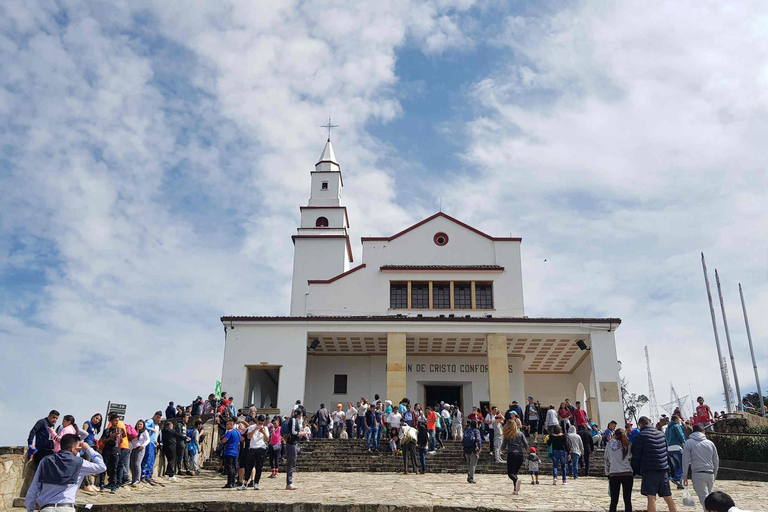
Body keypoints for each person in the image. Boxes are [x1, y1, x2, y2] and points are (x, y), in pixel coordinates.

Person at [25, 434, 106, 512]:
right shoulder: (80, 463)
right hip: (66, 508)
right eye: (78, 449)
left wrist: (30, 509)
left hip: (46, 508)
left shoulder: (45, 461)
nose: (78, 452)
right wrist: (88, 449)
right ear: (72, 449)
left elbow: (34, 488)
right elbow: (102, 467)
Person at [632, 416, 677, 512]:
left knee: (651, 498)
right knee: (668, 497)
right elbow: (666, 452)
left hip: (649, 470)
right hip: (663, 469)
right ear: (650, 423)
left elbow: (636, 455)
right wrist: (671, 470)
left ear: (640, 425)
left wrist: (635, 470)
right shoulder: (661, 434)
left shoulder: (640, 436)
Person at [682, 424, 720, 510]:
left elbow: (685, 461)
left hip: (698, 473)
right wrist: (715, 474)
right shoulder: (710, 443)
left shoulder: (688, 443)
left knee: (704, 500)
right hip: (710, 473)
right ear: (703, 432)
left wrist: (684, 476)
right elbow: (716, 460)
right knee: (708, 498)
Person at [605, 428, 634, 512]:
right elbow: (632, 458)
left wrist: (607, 473)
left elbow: (606, 460)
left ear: (615, 435)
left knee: (614, 501)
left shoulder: (609, 445)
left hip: (614, 473)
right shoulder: (628, 445)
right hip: (627, 473)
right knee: (627, 499)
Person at [501, 418, 529, 495]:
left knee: (510, 473)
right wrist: (526, 449)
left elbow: (503, 445)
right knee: (515, 473)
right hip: (520, 454)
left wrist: (501, 450)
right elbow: (526, 443)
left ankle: (516, 481)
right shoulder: (520, 434)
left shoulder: (508, 434)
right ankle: (515, 490)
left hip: (511, 454)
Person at [241, 415, 269, 490]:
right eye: (260, 422)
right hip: (253, 448)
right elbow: (249, 437)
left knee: (259, 467)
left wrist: (263, 432)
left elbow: (267, 439)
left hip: (262, 447)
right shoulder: (251, 427)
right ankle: (245, 483)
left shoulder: (265, 428)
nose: (261, 424)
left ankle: (256, 483)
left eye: (262, 422)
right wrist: (255, 429)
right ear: (257, 421)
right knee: (249, 466)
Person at [100, 414, 127, 493]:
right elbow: (103, 441)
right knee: (104, 467)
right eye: (115, 420)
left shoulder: (120, 429)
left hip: (116, 450)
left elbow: (121, 441)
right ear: (111, 421)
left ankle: (113, 485)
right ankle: (101, 483)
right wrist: (111, 437)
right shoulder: (107, 430)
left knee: (114, 468)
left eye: (117, 420)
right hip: (107, 450)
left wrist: (119, 436)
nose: (116, 422)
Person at [284, 409, 308, 490]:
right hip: (292, 444)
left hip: (294, 444)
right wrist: (301, 433)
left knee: (292, 463)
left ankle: (290, 482)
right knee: (291, 463)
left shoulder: (294, 420)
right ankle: (289, 483)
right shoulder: (294, 420)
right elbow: (293, 432)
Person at [80, 413, 102, 492]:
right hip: (87, 445)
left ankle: (91, 484)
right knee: (87, 465)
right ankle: (86, 484)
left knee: (91, 466)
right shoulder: (87, 423)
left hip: (92, 446)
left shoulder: (94, 427)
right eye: (96, 418)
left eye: (99, 420)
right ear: (93, 417)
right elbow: (84, 433)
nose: (97, 420)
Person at [219, 419, 241, 488]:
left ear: (231, 425)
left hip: (229, 451)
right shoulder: (237, 432)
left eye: (227, 424)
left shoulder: (229, 432)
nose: (226, 426)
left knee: (229, 468)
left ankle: (229, 482)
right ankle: (233, 482)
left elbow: (224, 440)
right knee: (234, 467)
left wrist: (221, 441)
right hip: (235, 451)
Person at [666, 414, 686, 489]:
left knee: (676, 466)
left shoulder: (668, 427)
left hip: (669, 449)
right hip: (677, 447)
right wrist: (684, 443)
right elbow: (680, 436)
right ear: (677, 419)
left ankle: (679, 483)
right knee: (683, 465)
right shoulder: (676, 426)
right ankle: (676, 478)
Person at [141, 411, 162, 484]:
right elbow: (144, 426)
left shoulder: (157, 426)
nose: (159, 420)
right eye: (158, 418)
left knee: (151, 460)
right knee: (147, 459)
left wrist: (156, 441)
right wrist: (151, 429)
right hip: (149, 443)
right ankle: (143, 475)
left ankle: (149, 475)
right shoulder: (150, 421)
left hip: (153, 443)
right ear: (156, 417)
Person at [129, 420, 150, 485]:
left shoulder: (144, 432)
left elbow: (148, 440)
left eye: (140, 424)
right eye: (138, 424)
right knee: (131, 464)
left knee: (137, 463)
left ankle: (137, 479)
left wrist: (143, 446)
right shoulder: (134, 431)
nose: (139, 426)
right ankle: (133, 479)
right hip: (133, 449)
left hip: (140, 449)